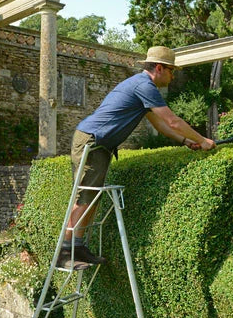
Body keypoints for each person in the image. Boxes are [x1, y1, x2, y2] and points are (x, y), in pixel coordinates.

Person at [57, 46, 216, 269]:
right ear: (159, 68)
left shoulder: (142, 87)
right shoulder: (144, 85)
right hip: (92, 141)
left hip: (100, 143)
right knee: (85, 196)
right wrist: (204, 139)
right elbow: (172, 121)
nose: (173, 76)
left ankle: (79, 245)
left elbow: (159, 124)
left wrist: (185, 141)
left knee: (93, 197)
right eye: (172, 71)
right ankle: (65, 252)